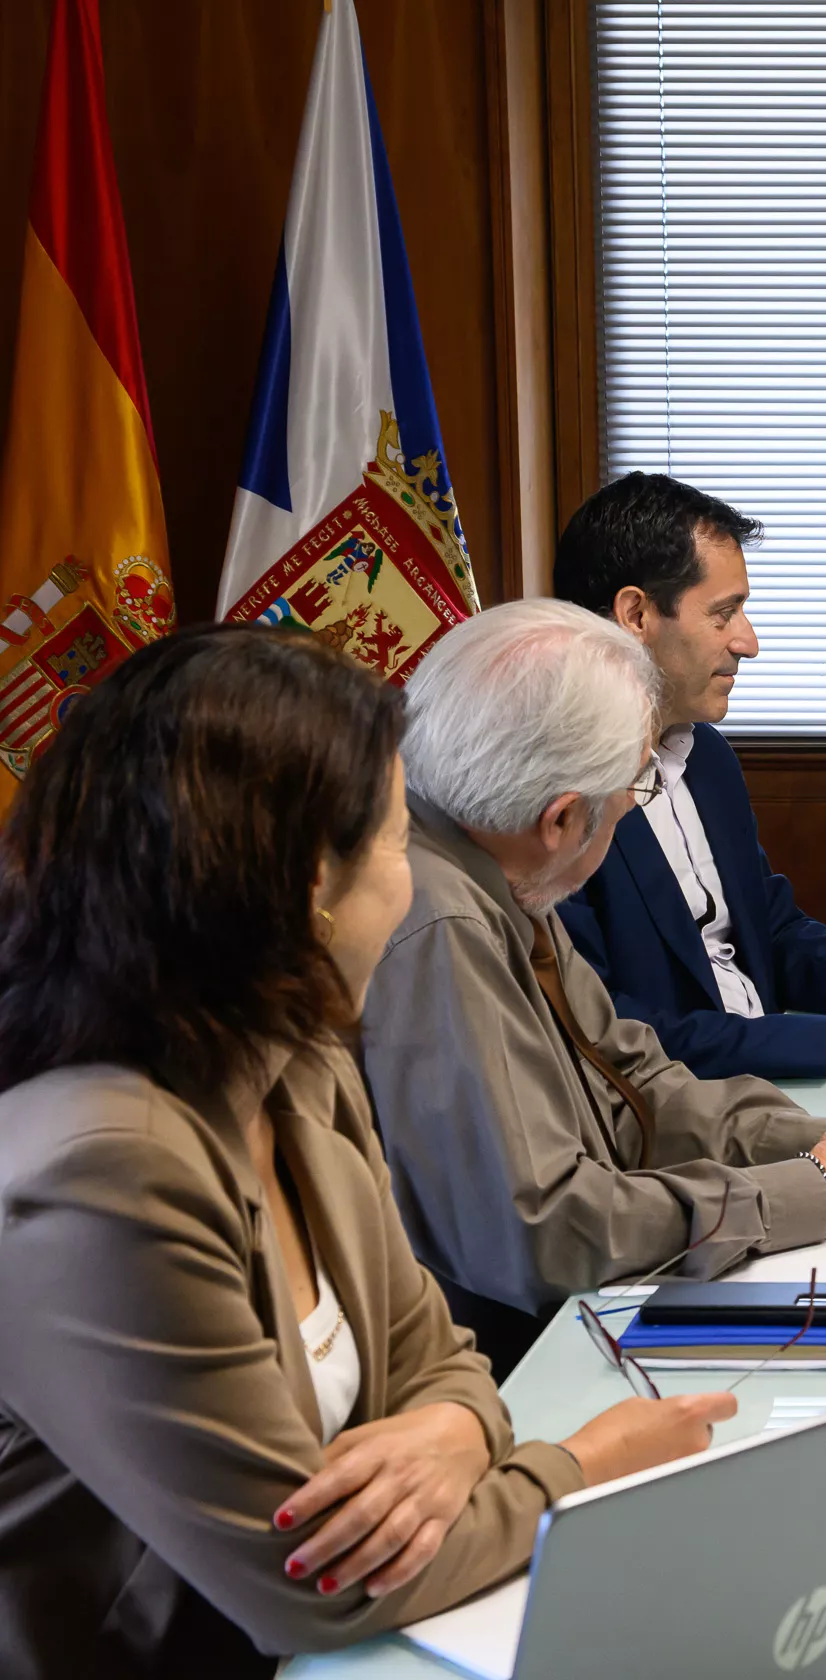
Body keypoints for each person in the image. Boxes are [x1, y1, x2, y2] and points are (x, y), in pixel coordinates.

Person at [0, 629, 728, 1677]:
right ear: (308, 886)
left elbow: (443, 1359)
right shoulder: (104, 1171)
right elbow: (315, 1589)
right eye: (395, 844)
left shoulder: (298, 1065)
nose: (415, 879)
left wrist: (460, 1435)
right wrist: (577, 1469)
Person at [359, 600, 826, 1374]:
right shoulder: (442, 925)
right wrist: (821, 1191)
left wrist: (817, 1142)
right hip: (509, 1365)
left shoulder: (499, 868)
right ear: (561, 818)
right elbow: (546, 1231)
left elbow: (633, 1081)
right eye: (633, 796)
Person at [549, 472, 826, 1082]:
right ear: (636, 614)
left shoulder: (709, 760)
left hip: (776, 1091)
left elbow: (771, 930)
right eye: (723, 615)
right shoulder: (557, 796)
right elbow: (606, 1031)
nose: (748, 643)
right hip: (678, 1121)